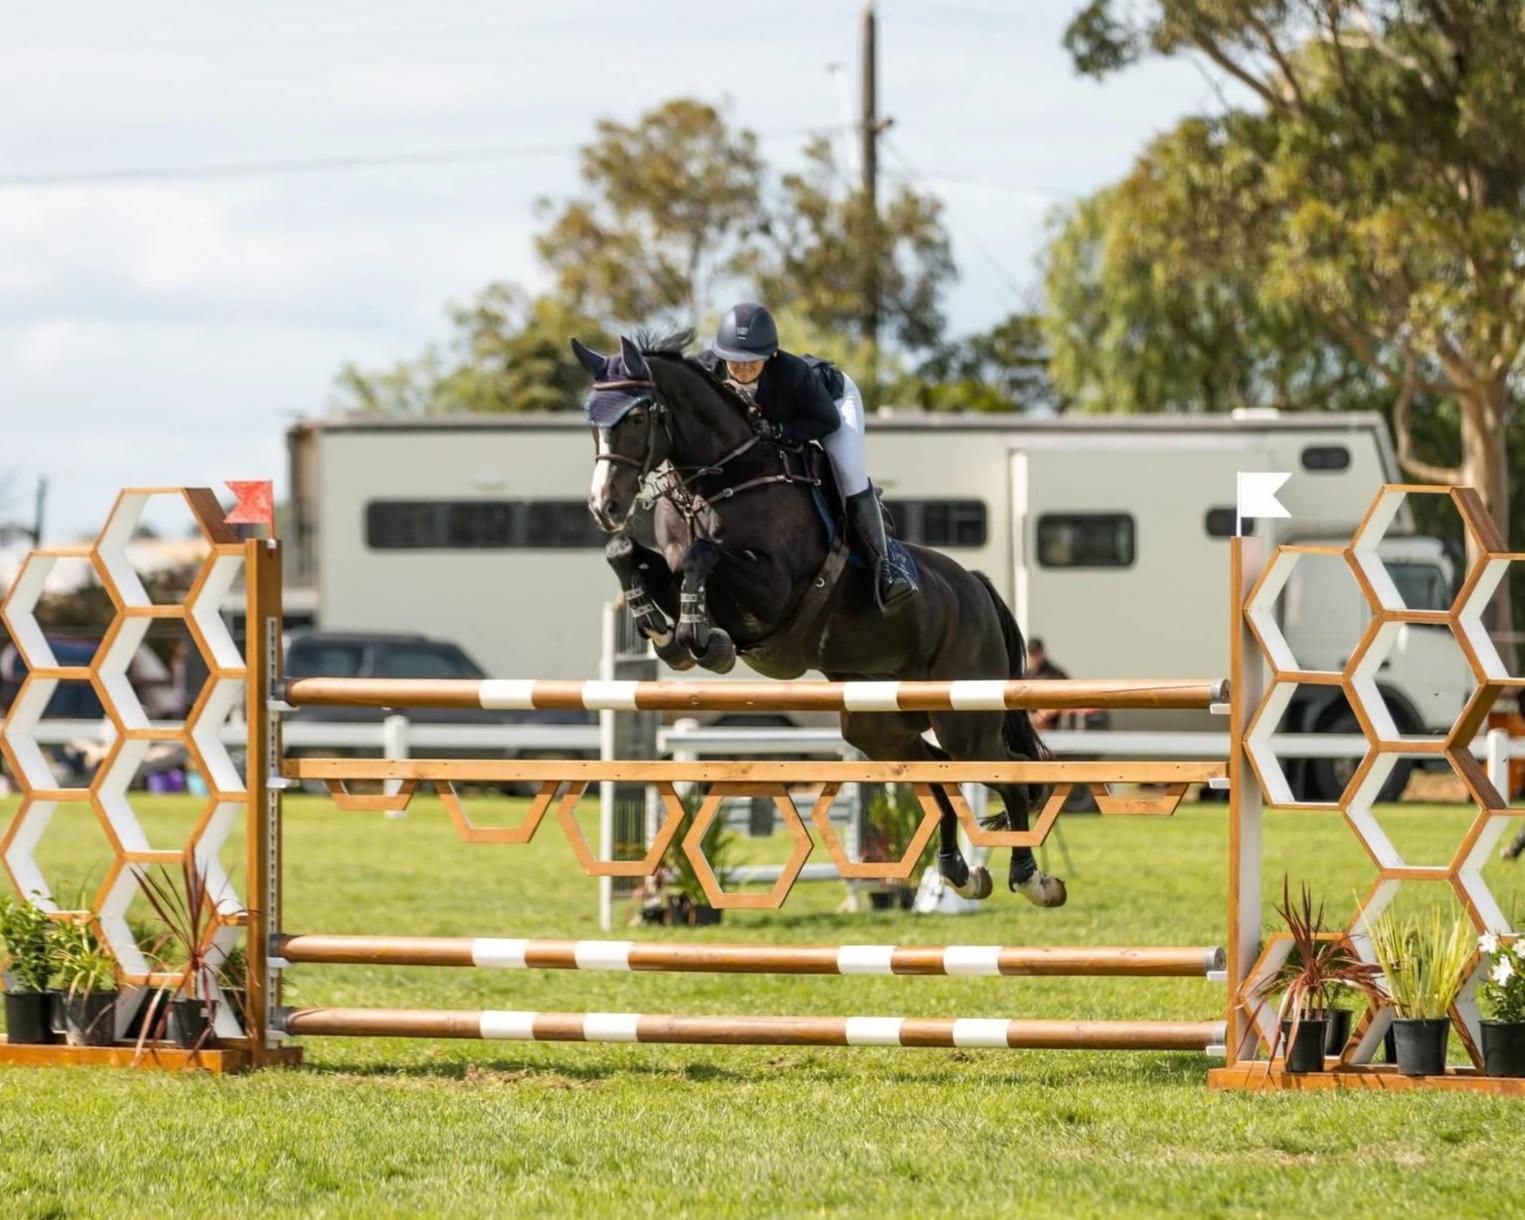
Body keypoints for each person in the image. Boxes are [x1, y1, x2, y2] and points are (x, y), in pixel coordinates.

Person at [699, 301, 917, 614]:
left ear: (770, 355)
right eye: (734, 360)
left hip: (832, 404)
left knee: (848, 472)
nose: (742, 367)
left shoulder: (791, 373)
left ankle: (884, 569)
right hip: (791, 416)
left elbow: (826, 422)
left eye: (751, 361)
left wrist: (778, 429)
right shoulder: (707, 369)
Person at [1025, 638, 1069, 730]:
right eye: (1031, 654)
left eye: (1036, 652)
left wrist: (1047, 713)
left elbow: (1068, 698)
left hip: (1054, 727)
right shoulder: (1028, 675)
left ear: (1042, 652)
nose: (1034, 657)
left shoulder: (1055, 674)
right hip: (1031, 726)